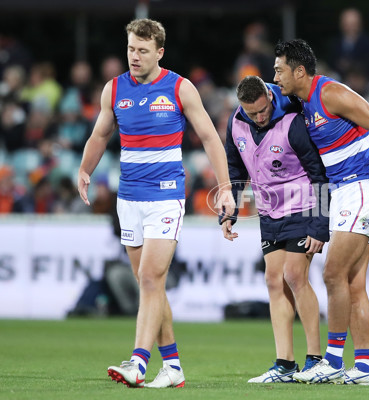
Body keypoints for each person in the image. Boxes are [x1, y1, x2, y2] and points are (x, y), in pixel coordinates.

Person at [76, 18, 234, 389]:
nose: (134, 56)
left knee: (149, 279)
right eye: (131, 48)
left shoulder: (180, 88)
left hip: (165, 196)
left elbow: (211, 138)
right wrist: (84, 169)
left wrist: (226, 187)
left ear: (159, 52)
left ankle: (137, 361)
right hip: (128, 199)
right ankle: (174, 366)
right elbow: (100, 133)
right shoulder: (114, 90)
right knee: (150, 285)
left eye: (143, 51)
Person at [273, 39, 369, 385]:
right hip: (343, 195)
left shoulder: (331, 94)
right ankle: (365, 367)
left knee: (332, 275)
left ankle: (334, 360)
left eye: (279, 70)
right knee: (353, 286)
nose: (275, 77)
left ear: (299, 71)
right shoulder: (304, 103)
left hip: (360, 191)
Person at [221, 75, 329, 383]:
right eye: (252, 113)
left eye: (263, 110)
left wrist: (320, 224)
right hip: (269, 212)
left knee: (295, 275)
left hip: (303, 207)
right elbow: (235, 169)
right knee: (273, 280)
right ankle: (285, 364)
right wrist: (230, 211)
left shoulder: (293, 121)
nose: (259, 117)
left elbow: (318, 174)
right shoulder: (236, 124)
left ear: (269, 96)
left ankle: (315, 360)